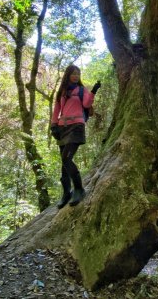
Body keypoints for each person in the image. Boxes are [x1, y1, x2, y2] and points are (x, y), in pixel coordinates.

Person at [50, 65, 101, 208]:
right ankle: (66, 193)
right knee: (63, 163)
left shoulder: (81, 90)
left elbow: (86, 103)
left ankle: (79, 189)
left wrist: (93, 92)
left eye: (78, 74)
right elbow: (56, 109)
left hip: (77, 126)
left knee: (67, 158)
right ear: (68, 75)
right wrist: (53, 125)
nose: (76, 76)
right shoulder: (62, 91)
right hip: (62, 127)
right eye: (73, 73)